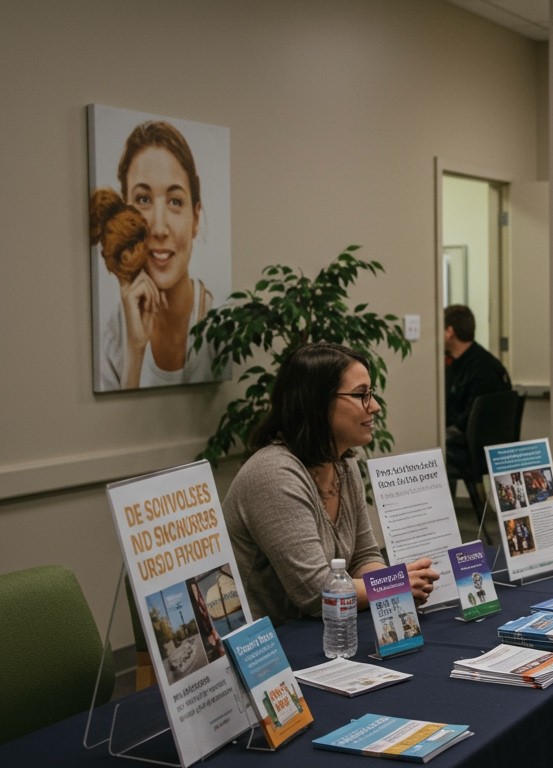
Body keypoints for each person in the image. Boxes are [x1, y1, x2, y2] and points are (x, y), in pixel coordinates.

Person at [225, 342, 440, 625]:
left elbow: (363, 556)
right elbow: (316, 594)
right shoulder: (273, 474)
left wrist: (397, 581)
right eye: (362, 394)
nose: (374, 406)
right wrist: (393, 585)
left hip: (320, 630)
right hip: (268, 648)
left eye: (371, 394)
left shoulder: (343, 464)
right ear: (317, 402)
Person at [96, 120, 219, 390]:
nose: (159, 228)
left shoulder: (222, 325)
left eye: (175, 201)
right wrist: (135, 350)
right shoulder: (111, 338)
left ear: (196, 217)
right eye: (143, 200)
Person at [444, 304, 512, 472]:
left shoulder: (481, 371)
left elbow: (468, 420)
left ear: (449, 332)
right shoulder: (472, 361)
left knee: (429, 444)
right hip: (475, 442)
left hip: (477, 448)